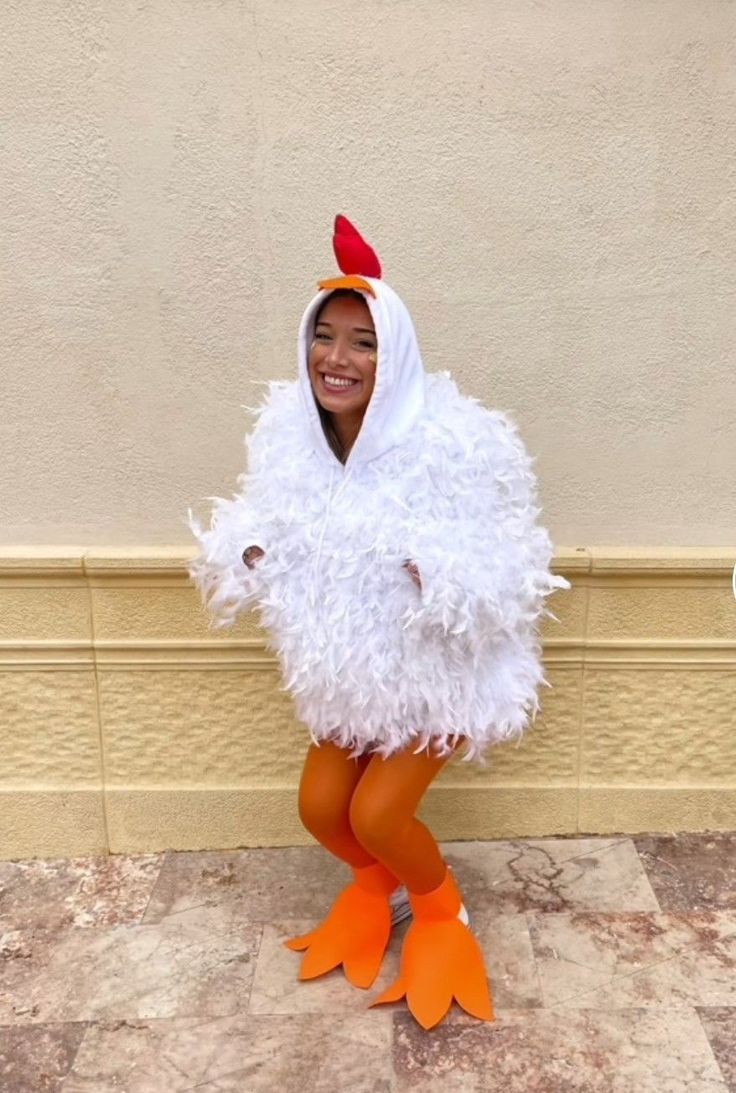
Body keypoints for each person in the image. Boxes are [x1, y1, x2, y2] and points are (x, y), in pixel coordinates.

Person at [187, 214, 571, 1030]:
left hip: (436, 681)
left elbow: (515, 562)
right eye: (324, 336)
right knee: (323, 807)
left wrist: (441, 572)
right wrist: (247, 550)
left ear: (392, 355)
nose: (337, 357)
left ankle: (442, 915)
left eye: (362, 341)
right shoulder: (292, 436)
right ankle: (378, 888)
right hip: (349, 679)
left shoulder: (455, 441)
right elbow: (261, 518)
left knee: (377, 814)